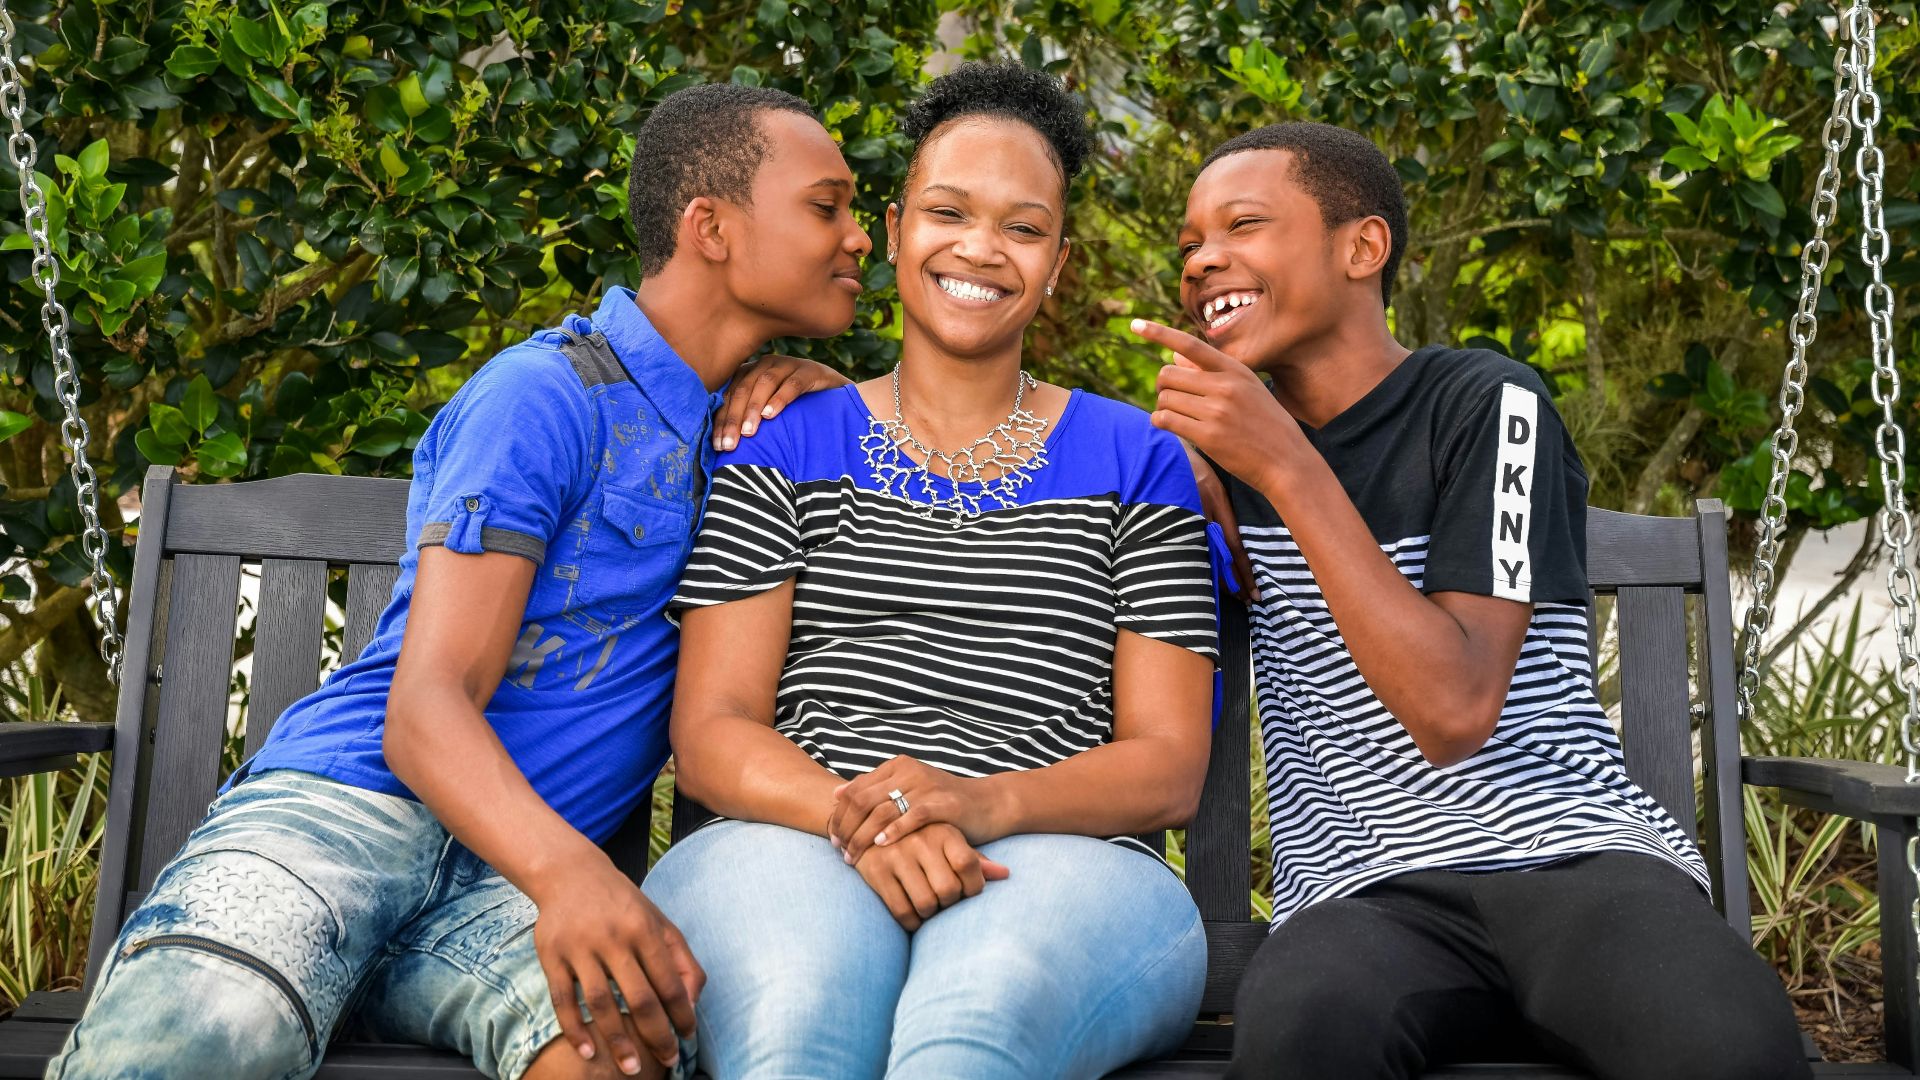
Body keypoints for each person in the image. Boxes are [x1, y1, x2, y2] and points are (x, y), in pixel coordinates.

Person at [50, 83, 869, 1080]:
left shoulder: (764, 434)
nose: (861, 238)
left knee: (625, 1047)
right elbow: (426, 708)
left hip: (499, 891)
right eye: (828, 207)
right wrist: (573, 874)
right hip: (348, 816)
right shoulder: (547, 396)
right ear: (711, 228)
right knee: (197, 1031)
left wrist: (832, 396)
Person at [1133, 120, 1811, 1080]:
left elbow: (1454, 709)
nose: (1205, 261)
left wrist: (1284, 470)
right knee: (1300, 1046)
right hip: (1363, 895)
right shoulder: (1210, 449)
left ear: (1362, 247)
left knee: (1732, 1052)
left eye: (1243, 225)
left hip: (1576, 865)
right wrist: (831, 376)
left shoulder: (1488, 404)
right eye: (1192, 242)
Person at [645, 62, 1217, 1080]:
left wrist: (976, 801)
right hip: (795, 841)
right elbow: (714, 728)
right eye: (947, 211)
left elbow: (1166, 764)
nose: (980, 249)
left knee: (973, 1035)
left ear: (1059, 264)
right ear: (898, 227)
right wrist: (866, 820)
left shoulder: (1139, 461)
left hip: (1066, 860)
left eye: (1024, 228)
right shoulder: (785, 439)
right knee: (796, 1031)